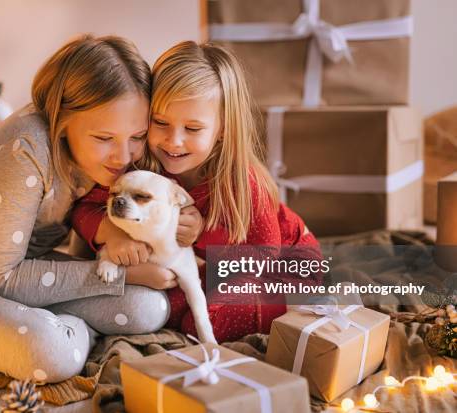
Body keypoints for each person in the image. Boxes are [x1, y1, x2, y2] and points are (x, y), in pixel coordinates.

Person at [0, 35, 182, 383]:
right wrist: (124, 274)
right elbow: (2, 278)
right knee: (49, 353)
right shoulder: (24, 148)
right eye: (103, 138)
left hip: (25, 275)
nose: (123, 156)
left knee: (150, 309)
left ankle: (62, 330)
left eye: (137, 137)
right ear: (61, 120)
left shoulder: (108, 159)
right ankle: (63, 336)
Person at [72, 41, 322, 343]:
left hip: (278, 263)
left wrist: (201, 234)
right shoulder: (141, 172)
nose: (173, 141)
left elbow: (263, 256)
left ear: (223, 129)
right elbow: (84, 208)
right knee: (167, 301)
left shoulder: (242, 183)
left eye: (192, 129)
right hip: (203, 272)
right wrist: (114, 234)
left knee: (197, 319)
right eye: (160, 122)